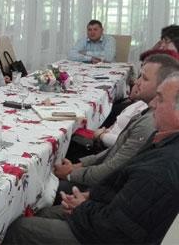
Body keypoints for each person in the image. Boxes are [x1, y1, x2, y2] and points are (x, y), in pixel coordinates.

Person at [3, 72, 179, 245]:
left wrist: (83, 206)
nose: (154, 104)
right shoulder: (161, 139)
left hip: (102, 231)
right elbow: (121, 182)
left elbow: (116, 229)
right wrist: (90, 196)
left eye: (161, 99)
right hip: (103, 211)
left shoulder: (162, 168)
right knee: (42, 213)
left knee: (19, 228)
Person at [54, 54, 179, 198]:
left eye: (144, 78)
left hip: (100, 187)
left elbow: (114, 168)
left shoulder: (151, 123)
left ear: (162, 85)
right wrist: (78, 165)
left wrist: (70, 174)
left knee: (48, 189)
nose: (136, 82)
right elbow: (114, 150)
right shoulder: (145, 109)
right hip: (100, 177)